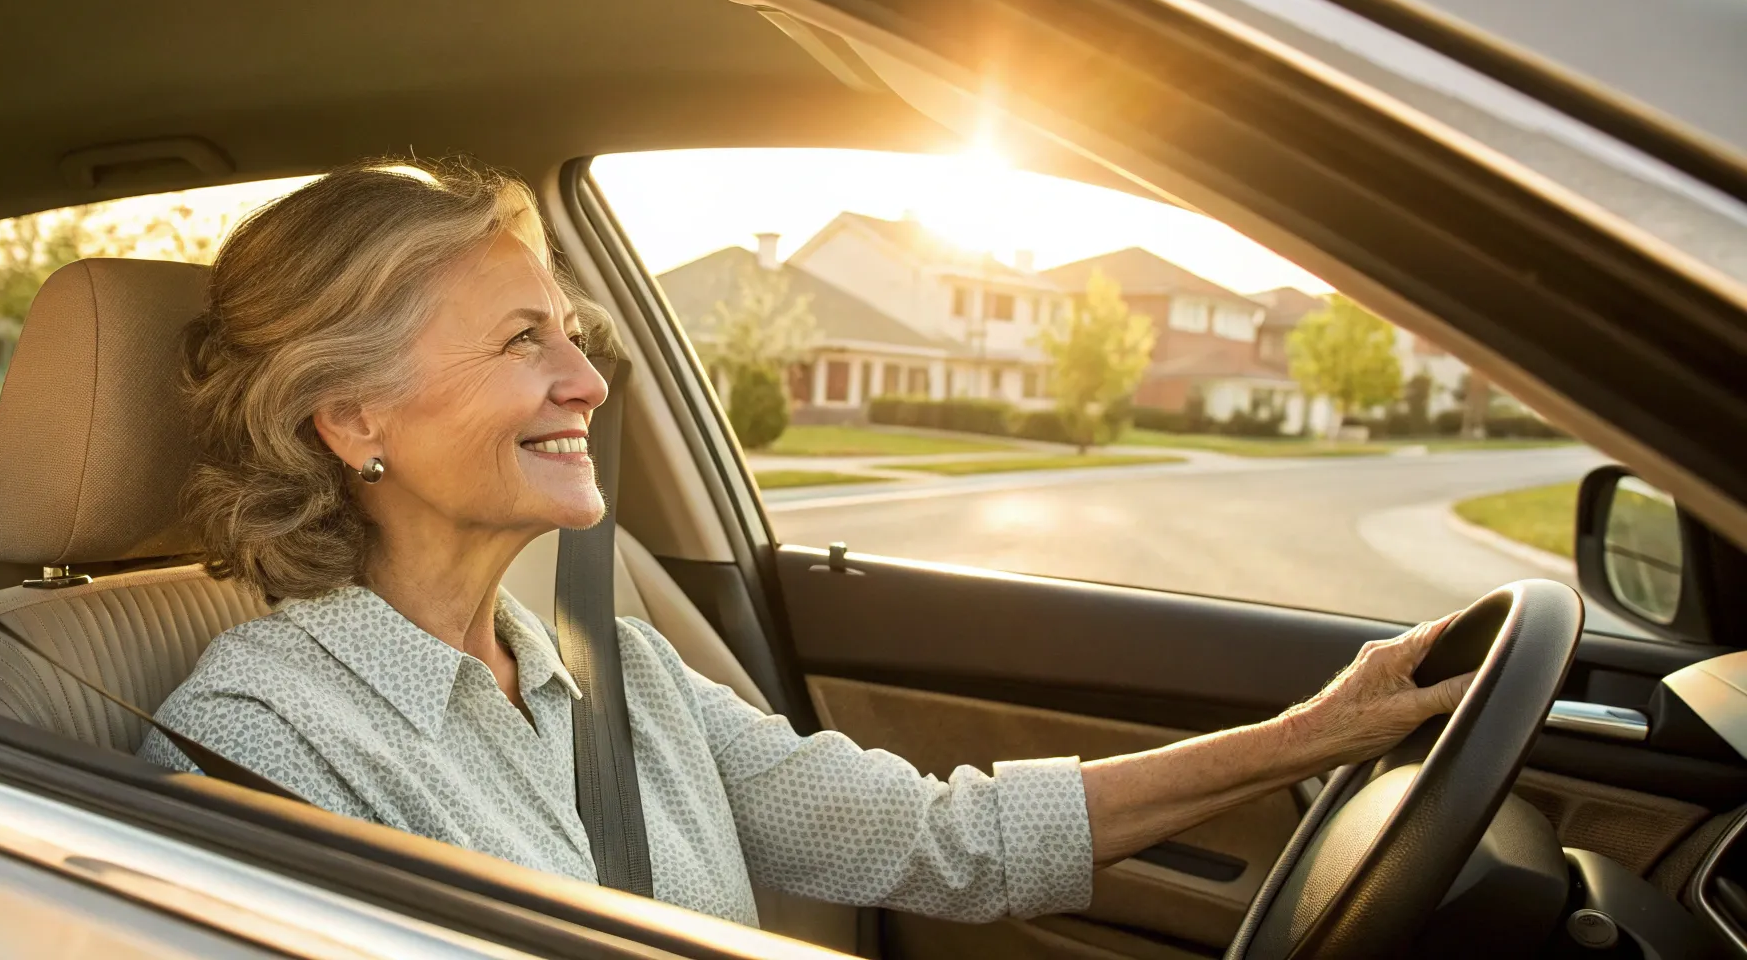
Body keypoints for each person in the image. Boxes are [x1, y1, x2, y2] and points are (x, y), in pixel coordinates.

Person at [141, 158, 1473, 926]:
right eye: (520, 342)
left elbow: (941, 842)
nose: (589, 385)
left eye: (572, 337)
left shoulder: (607, 669)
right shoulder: (260, 744)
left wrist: (1321, 733)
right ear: (350, 414)